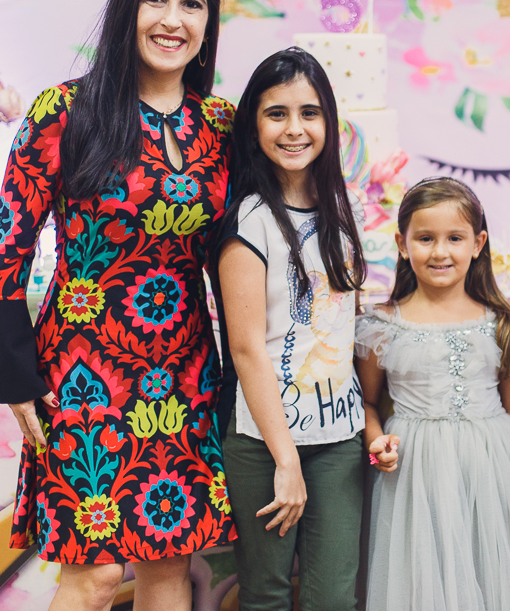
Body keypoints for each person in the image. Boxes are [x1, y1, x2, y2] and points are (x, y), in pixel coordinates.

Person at [0, 0, 237, 611]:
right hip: (81, 369)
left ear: (207, 26)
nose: (173, 18)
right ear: (127, 10)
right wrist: (12, 372)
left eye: (191, 3)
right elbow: (10, 246)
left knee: (169, 565)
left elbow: (245, 250)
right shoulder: (64, 110)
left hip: (184, 371)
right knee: (93, 576)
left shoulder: (222, 126)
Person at [354, 177, 510, 611]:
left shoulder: (501, 322)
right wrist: (374, 439)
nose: (440, 252)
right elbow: (367, 402)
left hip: (491, 468)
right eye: (425, 238)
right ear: (402, 243)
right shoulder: (381, 324)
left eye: (455, 238)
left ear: (478, 243)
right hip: (415, 473)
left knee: (493, 581)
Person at [212, 47, 367, 611]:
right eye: (276, 114)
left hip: (339, 439)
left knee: (334, 598)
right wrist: (285, 461)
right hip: (263, 442)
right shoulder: (248, 220)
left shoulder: (339, 212)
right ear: (255, 127)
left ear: (328, 120)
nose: (295, 129)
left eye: (309, 112)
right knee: (268, 595)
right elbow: (248, 350)